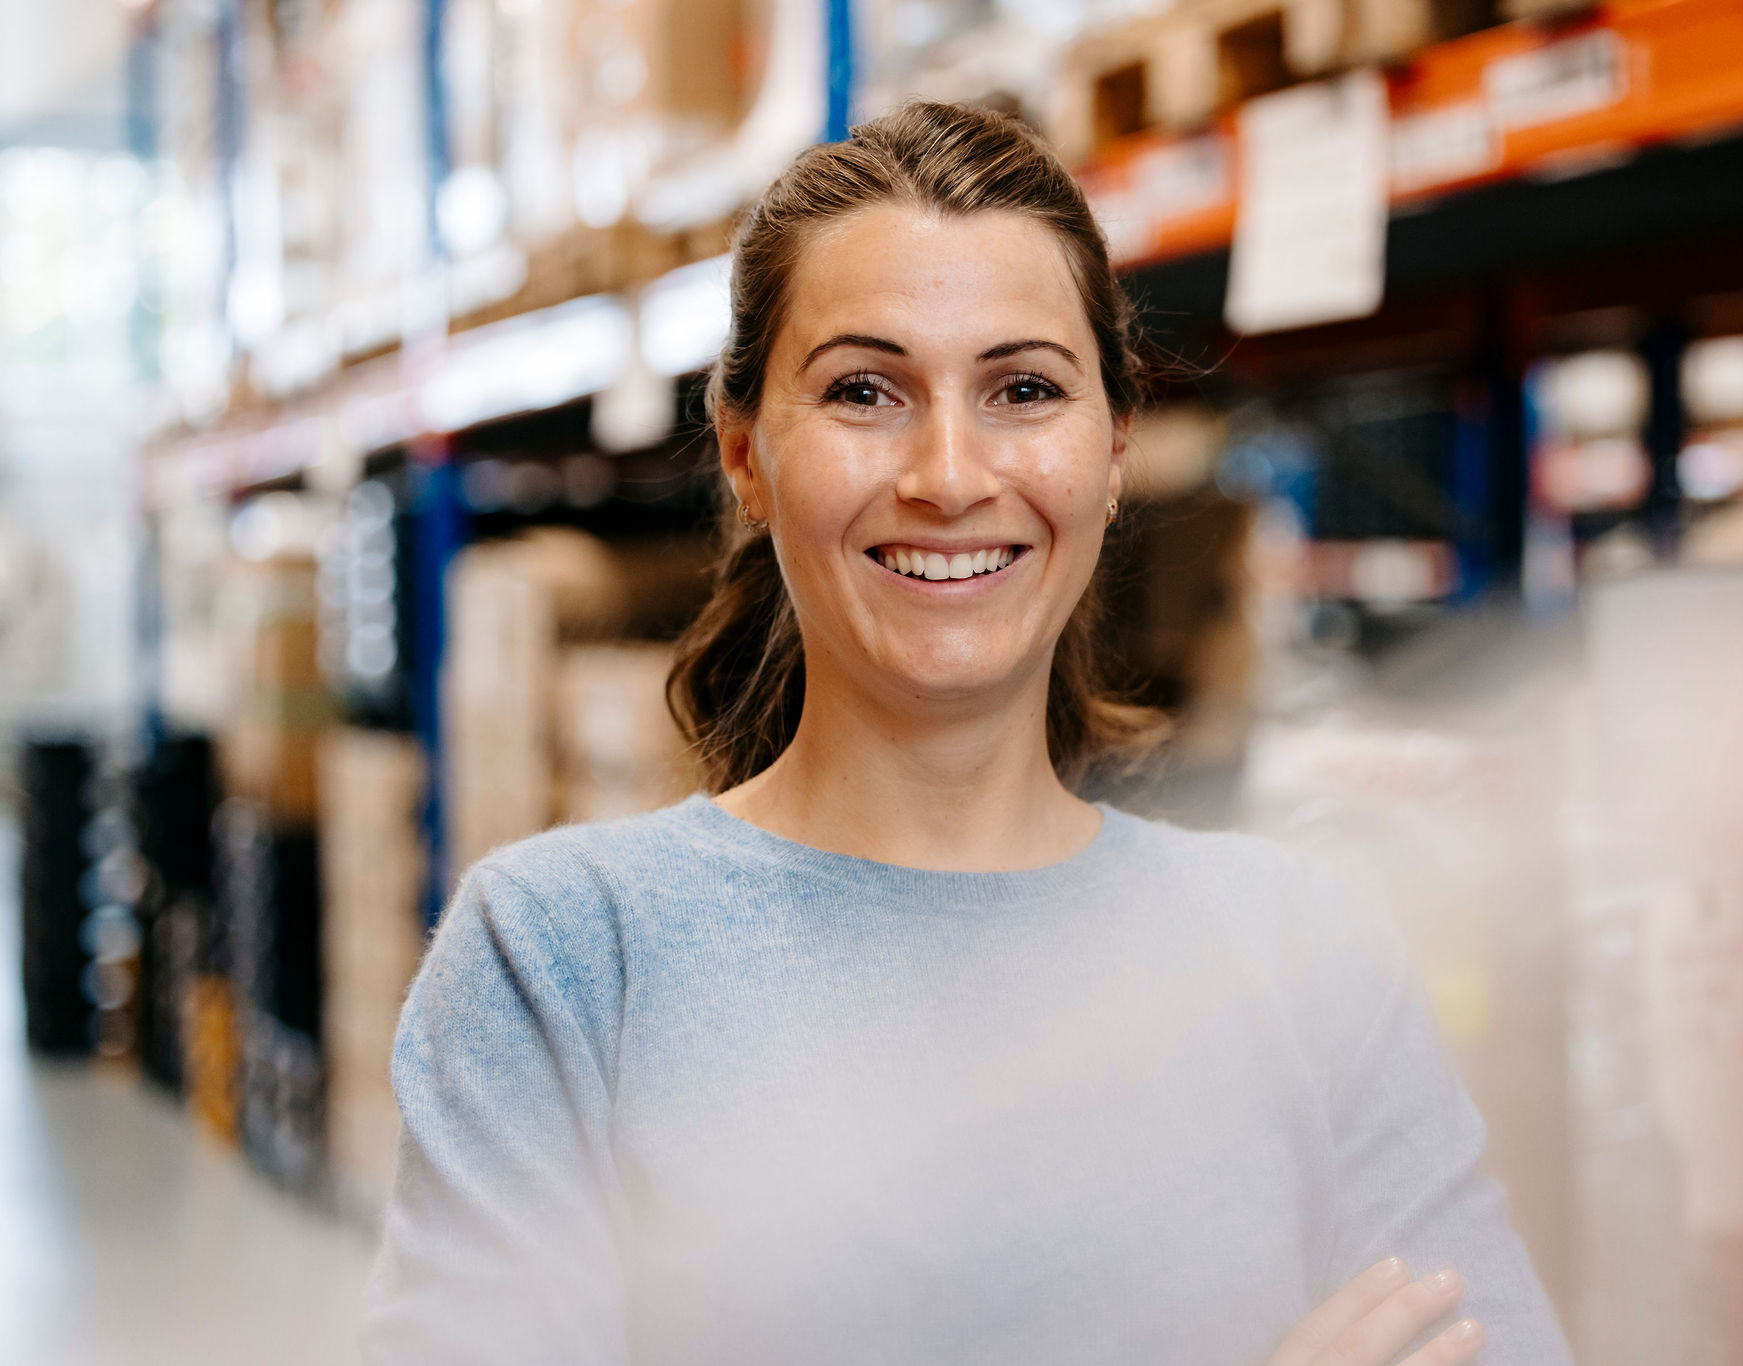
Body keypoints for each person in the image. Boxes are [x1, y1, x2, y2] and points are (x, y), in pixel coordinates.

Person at [363, 102, 1570, 1366]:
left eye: (1024, 389)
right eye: (865, 390)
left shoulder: (1301, 951)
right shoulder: (561, 961)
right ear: (745, 456)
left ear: (1110, 451)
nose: (948, 473)